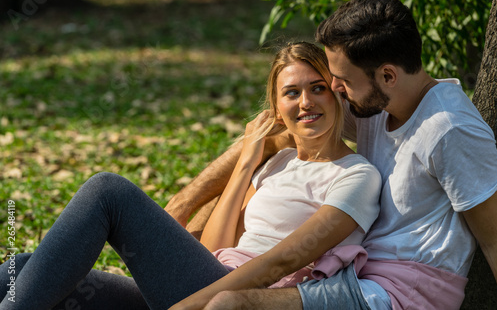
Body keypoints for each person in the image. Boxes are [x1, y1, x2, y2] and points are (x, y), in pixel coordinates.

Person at [165, 0, 497, 309]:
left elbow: (495, 240)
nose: (335, 89)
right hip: (354, 276)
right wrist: (182, 205)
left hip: (402, 292)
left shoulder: (451, 130)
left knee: (230, 305)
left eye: (342, 81)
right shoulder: (379, 103)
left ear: (387, 75)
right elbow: (273, 137)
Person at [0, 42, 382, 310]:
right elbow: (215, 247)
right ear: (276, 107)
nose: (305, 102)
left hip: (239, 300)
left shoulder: (355, 175)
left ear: (336, 94)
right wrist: (247, 163)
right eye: (291, 93)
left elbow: (278, 266)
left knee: (108, 191)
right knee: (15, 271)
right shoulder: (276, 164)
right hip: (202, 282)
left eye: (318, 89)